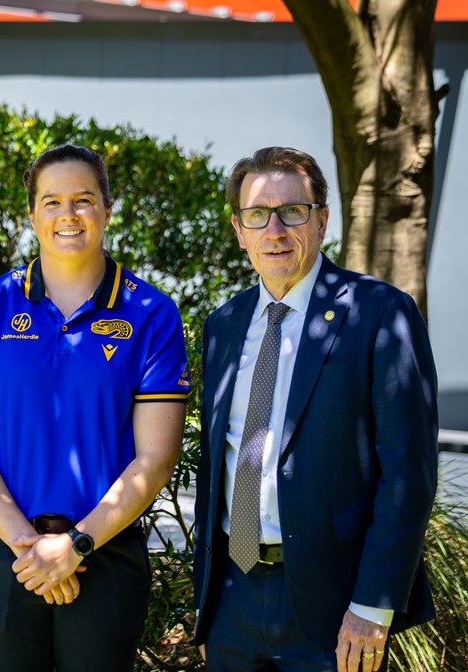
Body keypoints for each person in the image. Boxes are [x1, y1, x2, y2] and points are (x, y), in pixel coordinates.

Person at [0, 144, 190, 671]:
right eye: (51, 202)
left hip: (106, 549)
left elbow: (156, 458)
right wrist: (28, 547)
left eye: (83, 199)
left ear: (106, 209)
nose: (68, 214)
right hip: (9, 550)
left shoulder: (151, 314)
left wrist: (74, 547)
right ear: (32, 215)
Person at [193, 146, 439, 672]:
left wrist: (372, 606)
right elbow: (217, 465)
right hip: (232, 602)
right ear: (239, 230)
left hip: (335, 607)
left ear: (322, 220)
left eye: (292, 211)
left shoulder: (379, 313)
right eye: (257, 215)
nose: (274, 230)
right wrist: (207, 611)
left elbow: (408, 473)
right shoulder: (223, 325)